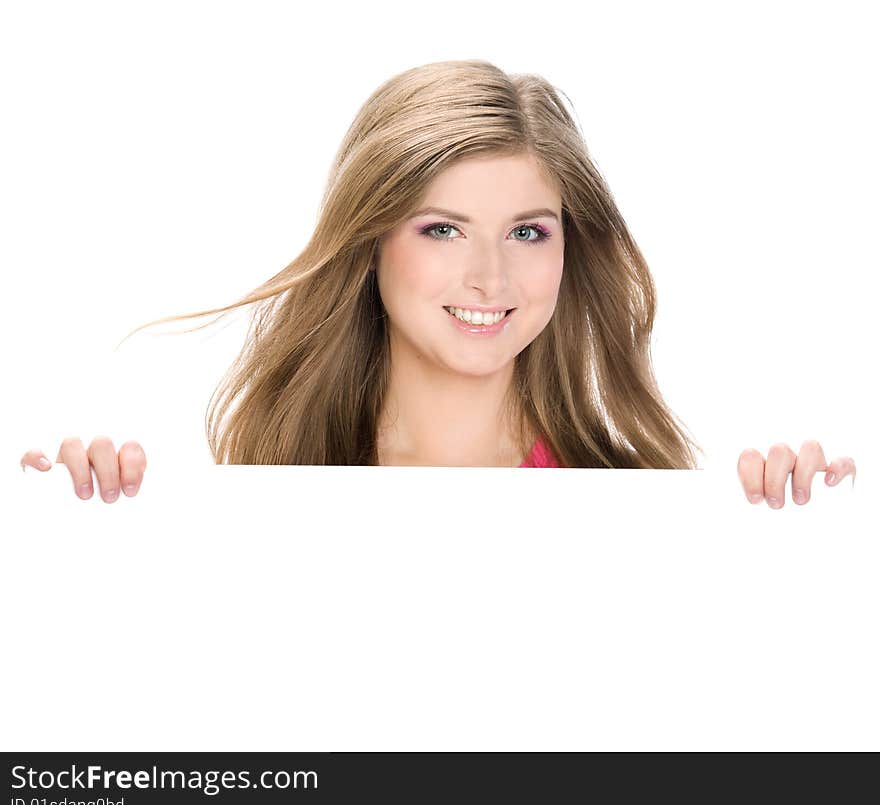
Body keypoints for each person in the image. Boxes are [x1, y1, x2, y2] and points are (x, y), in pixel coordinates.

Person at [18, 59, 856, 505]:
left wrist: (788, 541)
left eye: (528, 231)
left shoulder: (634, 499)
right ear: (371, 242)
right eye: (442, 228)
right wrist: (84, 529)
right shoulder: (263, 489)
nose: (490, 276)